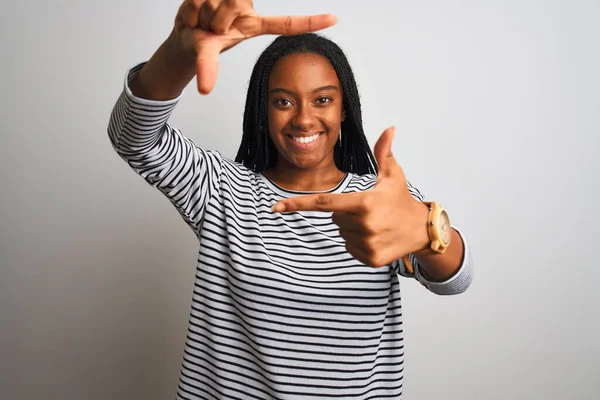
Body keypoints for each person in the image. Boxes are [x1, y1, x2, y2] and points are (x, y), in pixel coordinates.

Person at [107, 1, 474, 398]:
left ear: (344, 109)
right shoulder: (221, 190)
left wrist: (424, 230)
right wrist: (178, 52)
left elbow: (456, 281)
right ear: (262, 112)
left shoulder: (379, 199)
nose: (303, 118)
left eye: (322, 100)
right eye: (283, 101)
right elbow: (133, 138)